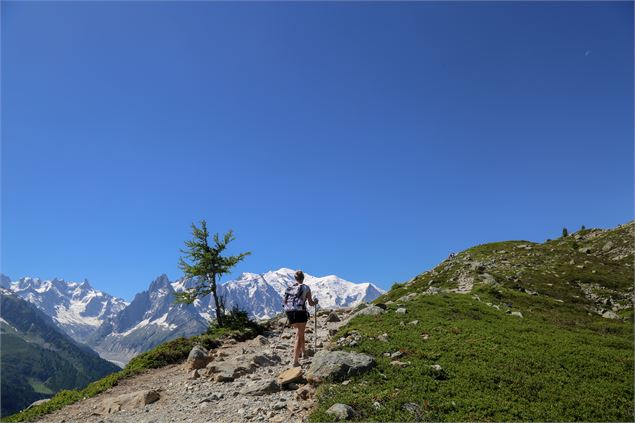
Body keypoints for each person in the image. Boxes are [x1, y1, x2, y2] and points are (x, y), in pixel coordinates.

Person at [283, 270, 318, 367]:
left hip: (289, 312)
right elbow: (310, 303)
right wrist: (316, 302)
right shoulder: (306, 287)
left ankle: (304, 353)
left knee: (300, 332)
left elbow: (284, 301)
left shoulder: (289, 288)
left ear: (295, 278)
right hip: (300, 312)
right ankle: (295, 361)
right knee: (299, 334)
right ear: (303, 278)